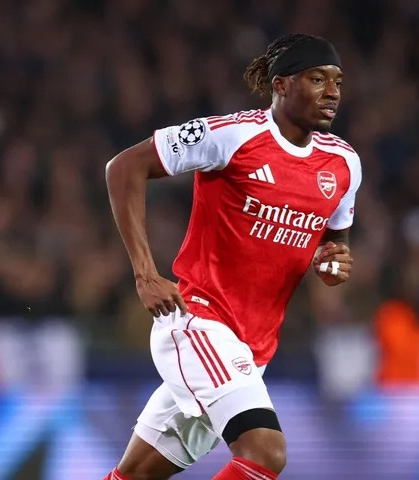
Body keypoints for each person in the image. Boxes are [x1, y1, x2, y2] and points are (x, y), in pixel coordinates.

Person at [103, 33, 362, 480]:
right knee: (265, 452)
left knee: (136, 474)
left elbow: (334, 239)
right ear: (281, 85)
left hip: (254, 347)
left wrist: (333, 260)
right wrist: (145, 274)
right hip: (198, 322)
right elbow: (124, 167)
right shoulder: (233, 135)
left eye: (337, 81)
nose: (332, 92)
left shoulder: (343, 164)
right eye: (318, 79)